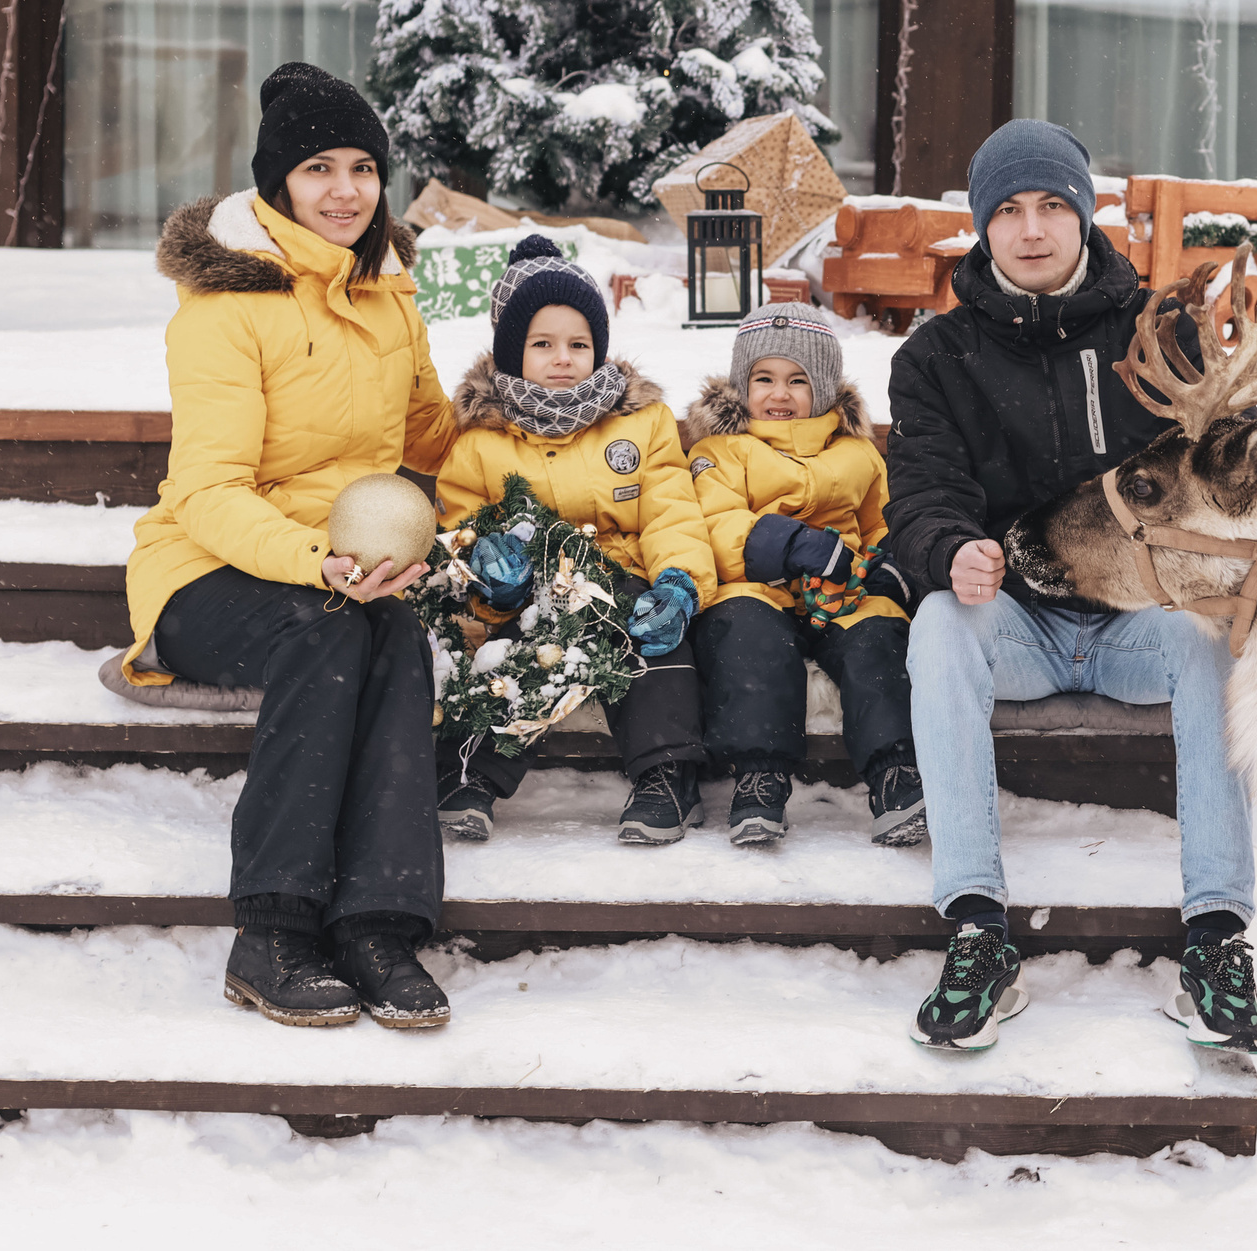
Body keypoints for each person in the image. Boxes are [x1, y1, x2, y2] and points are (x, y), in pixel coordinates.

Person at [886, 119, 1257, 1054]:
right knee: (936, 624)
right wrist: (950, 552)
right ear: (982, 225)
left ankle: (1217, 939)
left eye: (1051, 205)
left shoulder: (1161, 331)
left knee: (1211, 640)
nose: (1029, 228)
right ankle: (979, 927)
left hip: (1141, 620)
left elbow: (1234, 471)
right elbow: (924, 496)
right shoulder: (936, 360)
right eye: (1008, 210)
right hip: (1012, 619)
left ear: (1084, 213)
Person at [124, 62, 459, 1032]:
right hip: (208, 572)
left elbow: (430, 434)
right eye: (320, 169)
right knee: (329, 628)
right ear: (279, 185)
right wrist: (317, 564)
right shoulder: (225, 309)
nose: (346, 190)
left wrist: (538, 406)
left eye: (363, 167)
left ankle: (377, 924)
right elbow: (206, 490)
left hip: (346, 563)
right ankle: (269, 929)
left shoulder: (385, 290)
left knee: (390, 637)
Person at [430, 235, 719, 846]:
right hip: (536, 591)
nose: (563, 358)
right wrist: (489, 575)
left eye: (578, 344)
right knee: (516, 657)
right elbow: (464, 525)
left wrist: (678, 580)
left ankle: (666, 774)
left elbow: (671, 511)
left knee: (649, 644)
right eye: (542, 344)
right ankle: (473, 771)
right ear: (512, 352)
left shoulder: (640, 422)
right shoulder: (483, 439)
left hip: (626, 573)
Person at [682, 305, 925, 849]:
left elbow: (885, 521)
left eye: (798, 381)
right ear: (741, 386)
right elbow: (716, 527)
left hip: (843, 590)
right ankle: (760, 774)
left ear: (824, 388)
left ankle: (894, 771)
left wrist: (887, 568)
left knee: (878, 635)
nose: (780, 394)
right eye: (763, 379)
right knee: (746, 635)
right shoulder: (719, 452)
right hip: (756, 585)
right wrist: (796, 545)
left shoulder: (857, 452)